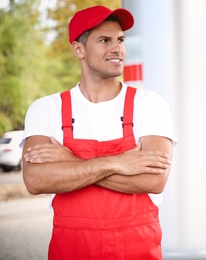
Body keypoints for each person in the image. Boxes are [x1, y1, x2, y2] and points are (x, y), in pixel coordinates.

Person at [21, 5, 176, 260]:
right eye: (105, 40)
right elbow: (36, 180)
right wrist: (119, 162)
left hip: (137, 248)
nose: (118, 49)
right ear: (79, 49)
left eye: (120, 40)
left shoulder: (149, 105)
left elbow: (153, 181)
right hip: (71, 249)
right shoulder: (46, 109)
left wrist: (69, 162)